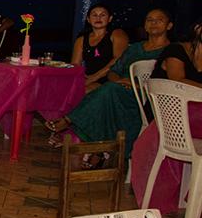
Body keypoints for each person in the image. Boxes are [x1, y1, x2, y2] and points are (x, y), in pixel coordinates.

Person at [47, 8, 173, 155]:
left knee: (105, 91)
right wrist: (120, 81)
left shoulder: (172, 51)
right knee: (106, 91)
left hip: (144, 96)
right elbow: (114, 70)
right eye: (149, 20)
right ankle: (96, 150)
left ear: (169, 26)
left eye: (159, 20)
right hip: (120, 88)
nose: (154, 23)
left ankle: (69, 121)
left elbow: (168, 80)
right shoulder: (135, 49)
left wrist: (134, 84)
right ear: (144, 25)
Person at [71, 3, 130, 93]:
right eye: (94, 15)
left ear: (110, 18)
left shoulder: (117, 34)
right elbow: (75, 64)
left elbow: (119, 59)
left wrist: (94, 77)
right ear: (88, 19)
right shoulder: (81, 39)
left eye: (102, 15)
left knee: (81, 92)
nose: (98, 18)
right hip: (90, 78)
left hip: (112, 78)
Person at [151, 17, 202, 86]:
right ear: (197, 29)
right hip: (165, 94)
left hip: (192, 95)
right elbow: (177, 82)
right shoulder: (175, 50)